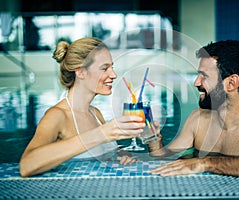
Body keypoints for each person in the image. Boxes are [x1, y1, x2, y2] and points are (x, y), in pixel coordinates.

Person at [148, 40, 239, 180]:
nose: (196, 82)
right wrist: (153, 140)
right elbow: (163, 159)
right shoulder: (198, 119)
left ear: (231, 83)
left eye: (204, 76)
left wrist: (206, 163)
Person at [19, 38, 145, 177]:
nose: (113, 75)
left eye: (112, 67)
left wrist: (122, 154)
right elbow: (26, 166)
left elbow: (107, 151)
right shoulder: (57, 115)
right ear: (80, 72)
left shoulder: (95, 113)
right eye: (104, 68)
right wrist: (101, 134)